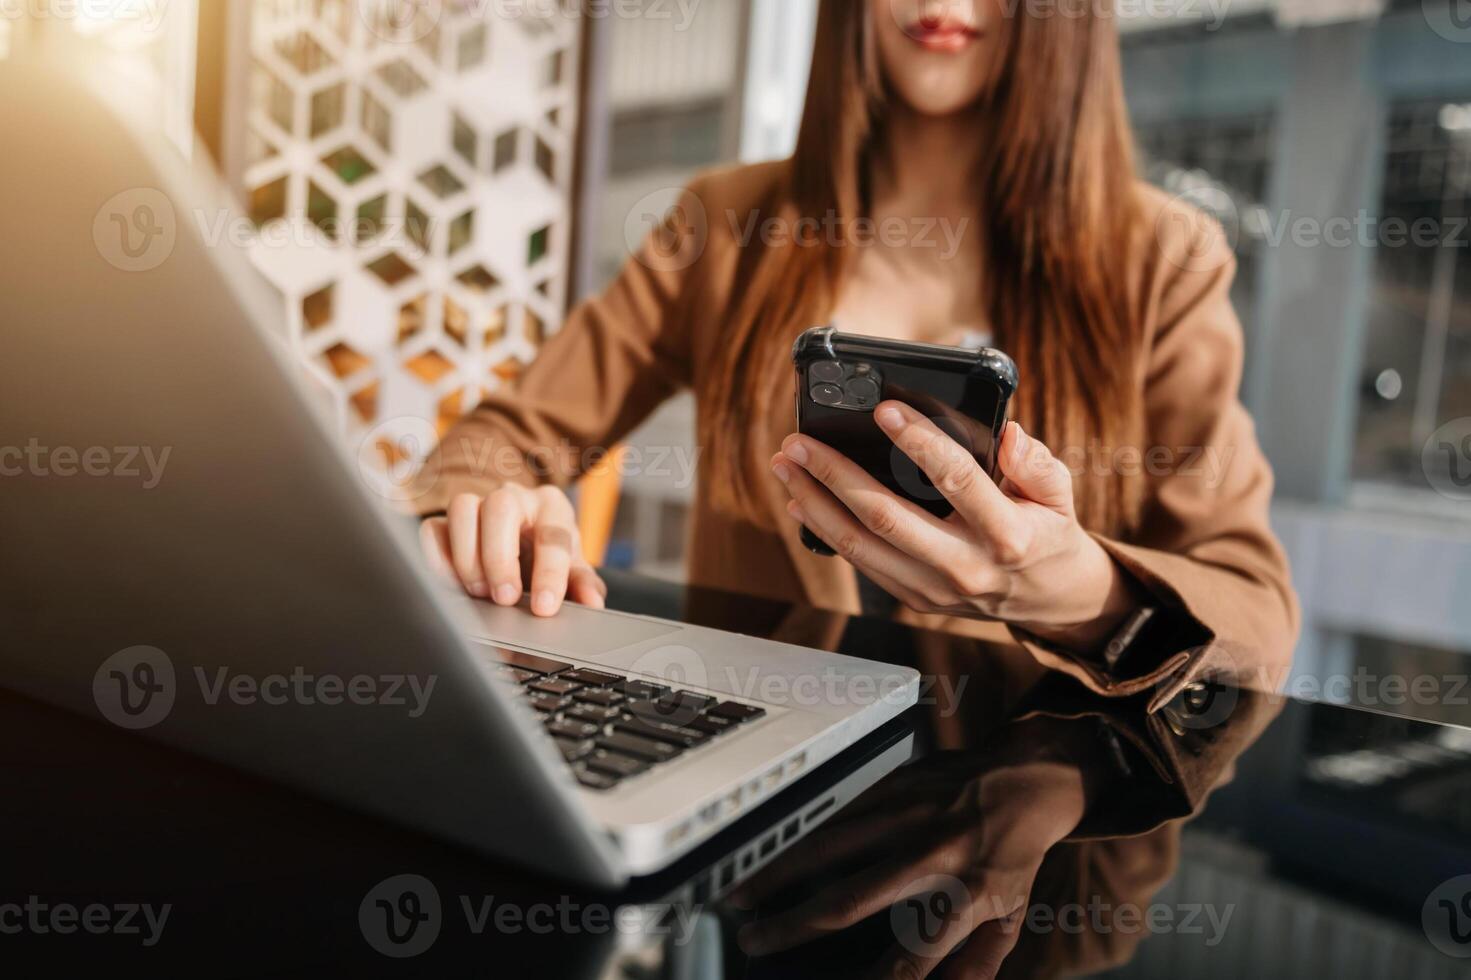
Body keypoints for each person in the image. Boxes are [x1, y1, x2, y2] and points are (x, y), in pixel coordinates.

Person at [413, 0, 1299, 699]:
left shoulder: (1159, 261)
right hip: (756, 802)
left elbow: (1254, 617)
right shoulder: (724, 228)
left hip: (1039, 844)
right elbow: (505, 437)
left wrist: (1072, 592)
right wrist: (493, 509)